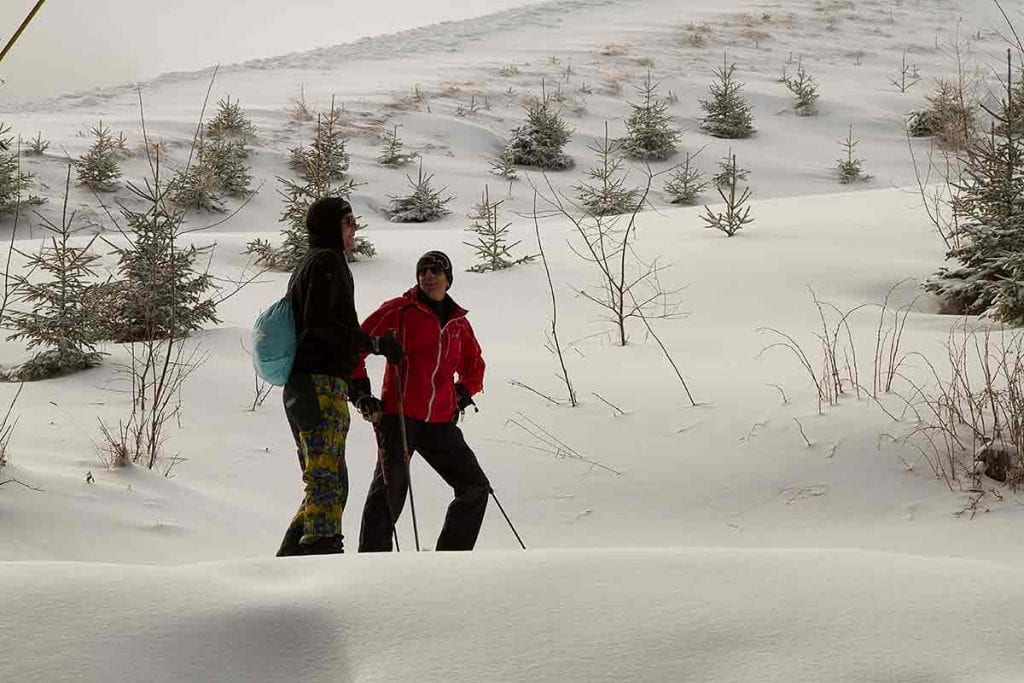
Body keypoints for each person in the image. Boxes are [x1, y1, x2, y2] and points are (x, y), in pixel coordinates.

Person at [276, 197, 404, 557]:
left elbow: (326, 330)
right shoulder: (326, 262)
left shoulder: (318, 263)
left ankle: (289, 560)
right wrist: (374, 343)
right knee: (326, 479)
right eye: (349, 221)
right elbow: (321, 325)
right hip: (315, 385)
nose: (355, 228)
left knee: (333, 480)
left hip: (315, 384)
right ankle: (321, 554)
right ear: (333, 226)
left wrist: (355, 388)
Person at [349, 250, 489, 552]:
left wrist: (461, 394)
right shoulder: (398, 310)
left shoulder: (458, 323)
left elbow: (474, 365)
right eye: (423, 270)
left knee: (475, 487)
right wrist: (361, 395)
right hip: (398, 415)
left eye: (436, 270)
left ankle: (450, 560)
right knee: (390, 491)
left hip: (440, 420)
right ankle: (370, 565)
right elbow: (353, 348)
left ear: (448, 280)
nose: (428, 275)